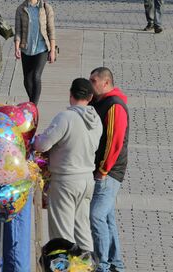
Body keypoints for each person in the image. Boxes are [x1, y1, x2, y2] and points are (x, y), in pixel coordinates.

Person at [34, 78, 103, 252]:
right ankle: (88, 265)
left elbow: (43, 145)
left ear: (70, 94)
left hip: (66, 180)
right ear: (90, 97)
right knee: (82, 230)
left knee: (61, 235)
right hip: (87, 179)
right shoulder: (97, 120)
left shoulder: (66, 117)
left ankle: (64, 266)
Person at [88, 67, 129, 272]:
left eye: (94, 81)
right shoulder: (98, 101)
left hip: (110, 172)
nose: (90, 84)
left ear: (106, 83)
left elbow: (115, 141)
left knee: (95, 216)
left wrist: (103, 170)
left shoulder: (114, 106)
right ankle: (116, 264)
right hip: (103, 169)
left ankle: (102, 265)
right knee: (107, 217)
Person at [14, 0, 56, 105]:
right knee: (27, 80)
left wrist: (52, 50)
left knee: (36, 76)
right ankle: (32, 103)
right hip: (26, 48)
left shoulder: (45, 8)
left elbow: (51, 30)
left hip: (41, 48)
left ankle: (33, 106)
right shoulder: (21, 9)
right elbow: (18, 30)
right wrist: (17, 47)